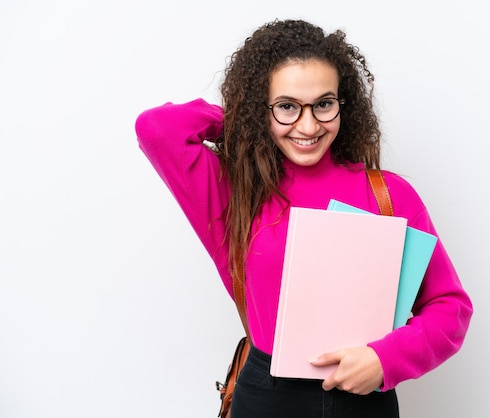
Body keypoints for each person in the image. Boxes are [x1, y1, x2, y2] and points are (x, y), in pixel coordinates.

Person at [135, 18, 472, 418]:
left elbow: (450, 308)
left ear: (343, 104)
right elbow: (157, 128)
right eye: (287, 106)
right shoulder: (235, 191)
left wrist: (385, 360)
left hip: (364, 400)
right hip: (267, 398)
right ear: (263, 105)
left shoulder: (389, 194)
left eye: (324, 104)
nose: (308, 125)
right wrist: (247, 119)